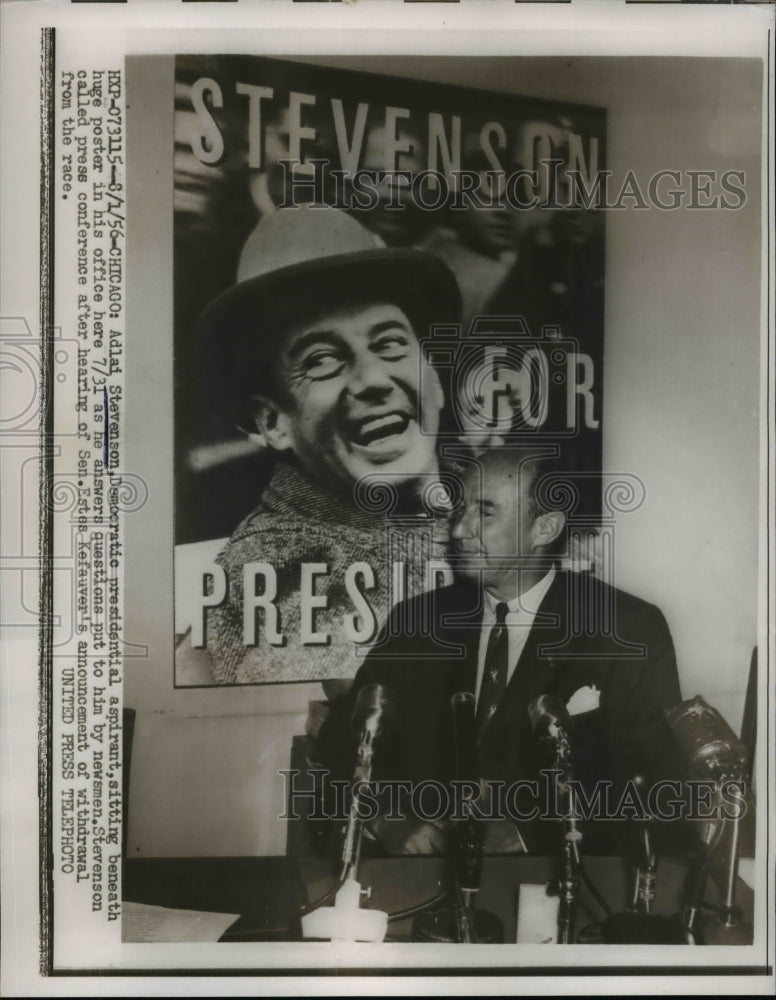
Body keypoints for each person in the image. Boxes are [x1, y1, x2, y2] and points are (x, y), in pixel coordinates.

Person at [320, 447, 685, 855]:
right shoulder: (419, 621)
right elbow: (342, 740)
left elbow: (654, 784)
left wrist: (526, 837)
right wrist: (386, 818)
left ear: (543, 529)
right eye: (460, 509)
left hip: (557, 879)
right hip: (421, 875)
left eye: (485, 512)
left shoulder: (625, 628)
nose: (458, 530)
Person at [190, 204, 463, 684]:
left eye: (390, 344)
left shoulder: (487, 504)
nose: (374, 379)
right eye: (321, 360)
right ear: (273, 422)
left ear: (435, 379)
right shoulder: (287, 573)